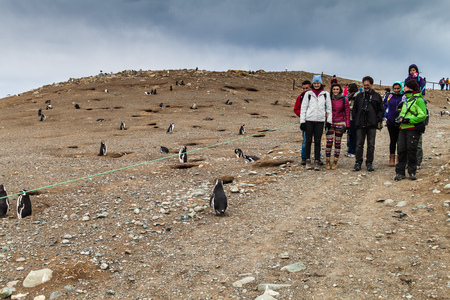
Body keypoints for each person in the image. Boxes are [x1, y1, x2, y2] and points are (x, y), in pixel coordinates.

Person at [394, 79, 427, 181]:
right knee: (401, 150)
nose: (403, 88)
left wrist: (409, 120)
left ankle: (412, 171)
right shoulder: (406, 100)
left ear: (410, 88)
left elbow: (423, 115)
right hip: (403, 128)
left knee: (411, 150)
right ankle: (400, 172)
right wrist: (399, 119)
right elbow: (403, 113)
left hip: (412, 129)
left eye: (405, 86)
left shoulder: (419, 100)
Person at [300, 75, 332, 171]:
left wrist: (329, 121)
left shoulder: (326, 94)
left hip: (320, 121)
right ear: (312, 84)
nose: (316, 85)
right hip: (309, 120)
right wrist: (302, 122)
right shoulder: (308, 94)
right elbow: (303, 108)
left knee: (318, 141)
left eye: (318, 83)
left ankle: (317, 161)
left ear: (321, 84)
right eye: (315, 83)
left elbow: (329, 108)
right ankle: (308, 160)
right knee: (308, 141)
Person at [352, 76, 384, 171]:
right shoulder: (359, 96)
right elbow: (354, 110)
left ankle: (369, 163)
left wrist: (376, 119)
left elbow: (381, 110)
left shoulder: (377, 96)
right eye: (364, 85)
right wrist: (356, 119)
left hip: (371, 125)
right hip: (360, 124)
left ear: (371, 85)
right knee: (359, 145)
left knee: (371, 145)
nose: (366, 87)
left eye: (367, 85)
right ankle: (358, 162)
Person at [404, 64, 426, 169]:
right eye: (411, 70)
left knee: (417, 143)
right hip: (408, 124)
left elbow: (423, 87)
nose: (413, 71)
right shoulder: (407, 79)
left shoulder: (420, 79)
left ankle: (417, 162)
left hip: (417, 122)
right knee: (408, 143)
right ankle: (409, 161)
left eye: (414, 70)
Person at [325, 84, 350, 169]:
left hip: (340, 122)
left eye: (337, 89)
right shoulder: (328, 99)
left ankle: (335, 161)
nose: (335, 91)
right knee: (329, 142)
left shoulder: (344, 100)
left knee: (337, 143)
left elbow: (347, 113)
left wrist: (348, 125)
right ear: (331, 90)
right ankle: (327, 161)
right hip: (330, 122)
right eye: (334, 89)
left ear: (340, 90)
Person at [383, 82, 404, 167]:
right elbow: (384, 105)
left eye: (398, 88)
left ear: (401, 88)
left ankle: (399, 158)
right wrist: (385, 115)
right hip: (390, 122)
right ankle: (392, 158)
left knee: (400, 141)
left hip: (401, 122)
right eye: (395, 88)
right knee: (393, 140)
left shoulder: (404, 97)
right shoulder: (389, 96)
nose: (396, 90)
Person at [294, 80, 312, 165]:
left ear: (310, 87)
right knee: (305, 140)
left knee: (316, 140)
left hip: (316, 121)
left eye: (307, 88)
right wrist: (302, 116)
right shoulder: (300, 97)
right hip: (305, 122)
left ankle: (317, 157)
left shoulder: (316, 96)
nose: (305, 90)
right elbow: (296, 109)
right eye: (304, 88)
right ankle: (304, 157)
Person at [345, 83, 359, 158]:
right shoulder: (349, 96)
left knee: (354, 135)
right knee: (350, 135)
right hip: (349, 118)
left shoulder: (356, 97)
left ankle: (353, 151)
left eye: (348, 88)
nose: (347, 89)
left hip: (354, 119)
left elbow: (354, 107)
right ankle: (350, 150)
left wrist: (347, 107)